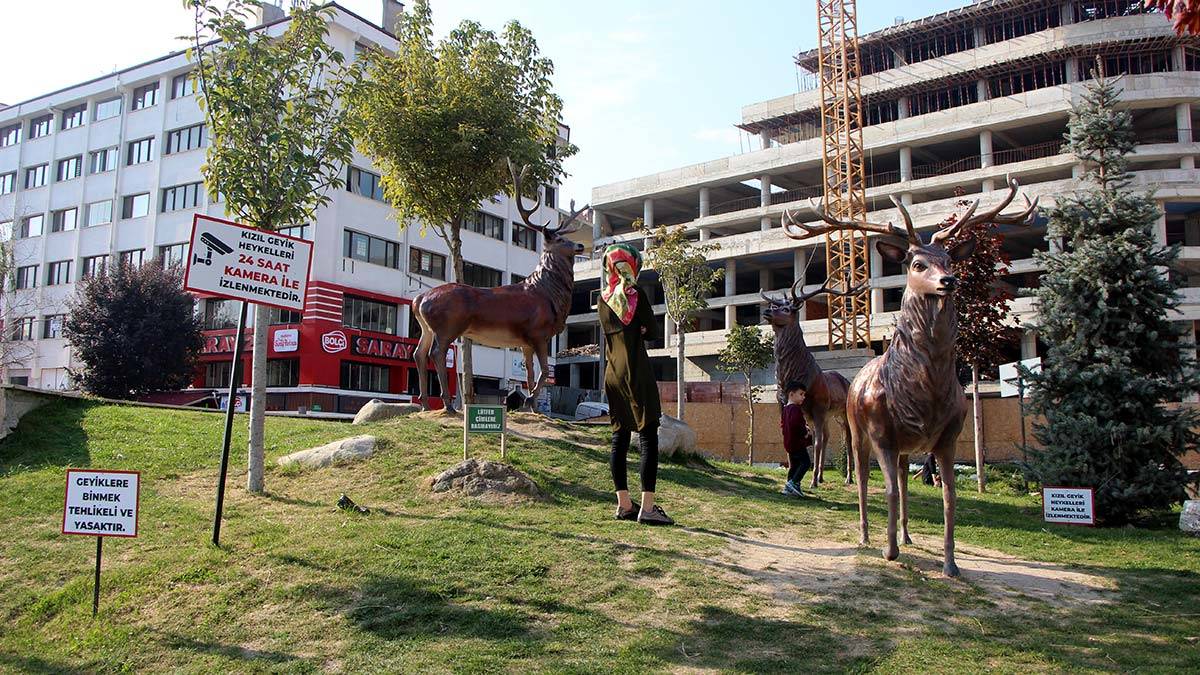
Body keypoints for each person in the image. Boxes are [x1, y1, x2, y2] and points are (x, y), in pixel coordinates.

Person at [598, 243, 672, 526]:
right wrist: (639, 328)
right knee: (648, 436)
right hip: (637, 371)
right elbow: (653, 332)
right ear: (631, 265)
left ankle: (624, 505)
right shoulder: (635, 294)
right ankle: (649, 508)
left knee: (619, 438)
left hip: (612, 373)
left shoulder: (603, 298)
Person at [780, 383, 813, 497]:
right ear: (791, 394)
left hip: (789, 443)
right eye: (801, 394)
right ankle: (793, 483)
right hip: (797, 443)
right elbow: (796, 424)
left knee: (794, 466)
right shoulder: (795, 409)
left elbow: (784, 425)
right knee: (805, 463)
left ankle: (789, 487)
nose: (803, 397)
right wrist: (805, 432)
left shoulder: (785, 409)